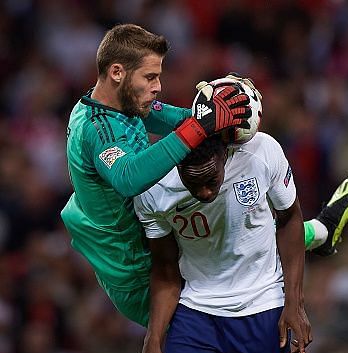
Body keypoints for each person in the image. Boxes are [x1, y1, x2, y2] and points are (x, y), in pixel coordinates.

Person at [60, 23, 252, 327]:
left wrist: (217, 118)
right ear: (117, 72)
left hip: (153, 240)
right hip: (137, 271)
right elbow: (128, 178)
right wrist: (201, 127)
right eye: (150, 77)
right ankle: (312, 235)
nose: (158, 86)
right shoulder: (97, 128)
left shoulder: (122, 100)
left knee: (237, 223)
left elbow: (177, 120)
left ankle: (316, 233)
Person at [134, 131, 310, 353]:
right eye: (194, 183)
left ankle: (323, 230)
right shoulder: (153, 188)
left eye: (210, 180)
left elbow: (290, 217)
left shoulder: (260, 152)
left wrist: (294, 301)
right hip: (197, 310)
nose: (204, 192)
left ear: (223, 157)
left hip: (261, 306)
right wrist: (152, 340)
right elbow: (166, 270)